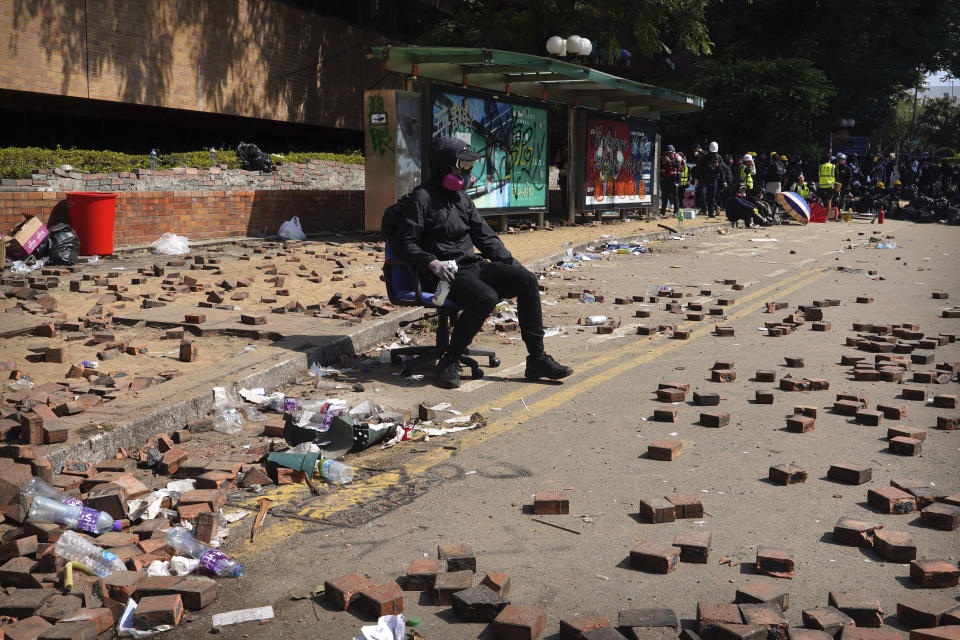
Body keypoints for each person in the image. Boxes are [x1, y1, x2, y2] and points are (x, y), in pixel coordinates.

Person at [395, 136, 573, 389]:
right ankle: (451, 359)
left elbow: (486, 237)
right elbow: (406, 242)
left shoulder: (461, 199)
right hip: (442, 273)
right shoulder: (421, 199)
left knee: (526, 281)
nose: (468, 173)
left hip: (471, 266)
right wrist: (433, 263)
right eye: (463, 167)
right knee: (485, 297)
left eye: (469, 167)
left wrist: (513, 265)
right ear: (446, 166)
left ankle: (537, 359)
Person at [659, 145, 681, 215]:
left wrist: (670, 161)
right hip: (666, 179)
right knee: (664, 196)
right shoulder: (665, 157)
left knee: (675, 195)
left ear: (673, 151)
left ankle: (676, 210)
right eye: (668, 152)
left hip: (674, 178)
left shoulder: (677, 156)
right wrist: (663, 164)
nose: (669, 154)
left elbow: (678, 165)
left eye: (670, 152)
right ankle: (663, 211)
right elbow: (661, 166)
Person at [817, 155, 837, 220]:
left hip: (821, 186)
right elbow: (837, 178)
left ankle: (817, 215)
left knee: (819, 201)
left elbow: (817, 176)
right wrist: (834, 187)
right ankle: (826, 218)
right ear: (830, 160)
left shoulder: (820, 167)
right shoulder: (833, 167)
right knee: (829, 202)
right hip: (830, 187)